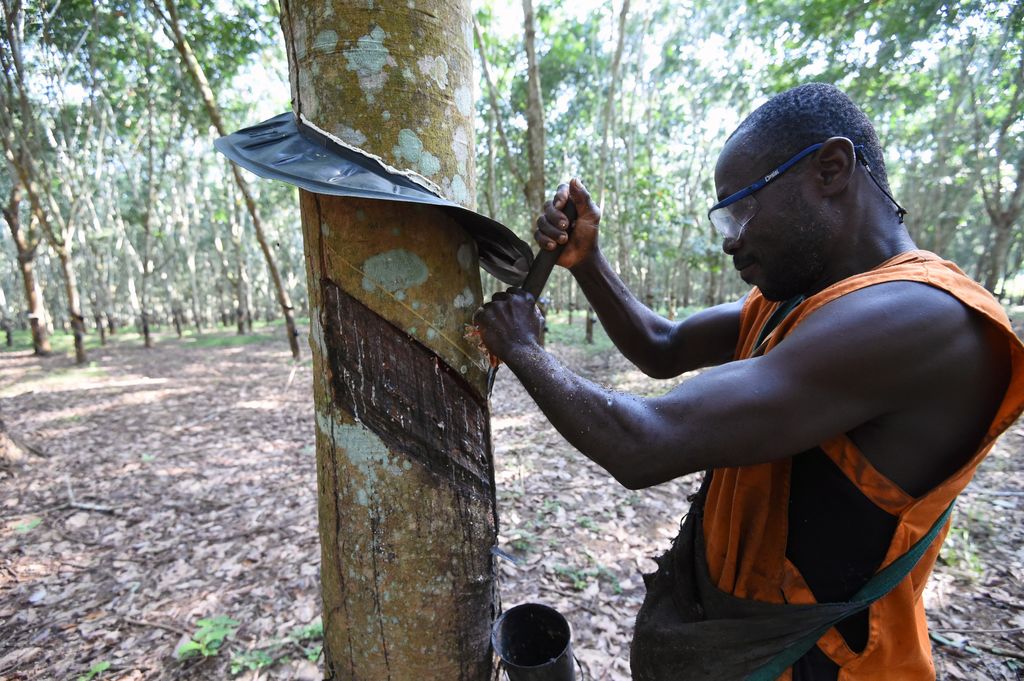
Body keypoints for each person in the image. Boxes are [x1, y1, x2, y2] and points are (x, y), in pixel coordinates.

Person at [473, 83, 1024, 680]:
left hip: (823, 664)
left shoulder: (921, 318)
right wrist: (588, 258)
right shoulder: (800, 300)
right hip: (740, 640)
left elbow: (644, 443)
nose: (732, 239)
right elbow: (663, 346)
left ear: (831, 170)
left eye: (742, 208)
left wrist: (522, 347)